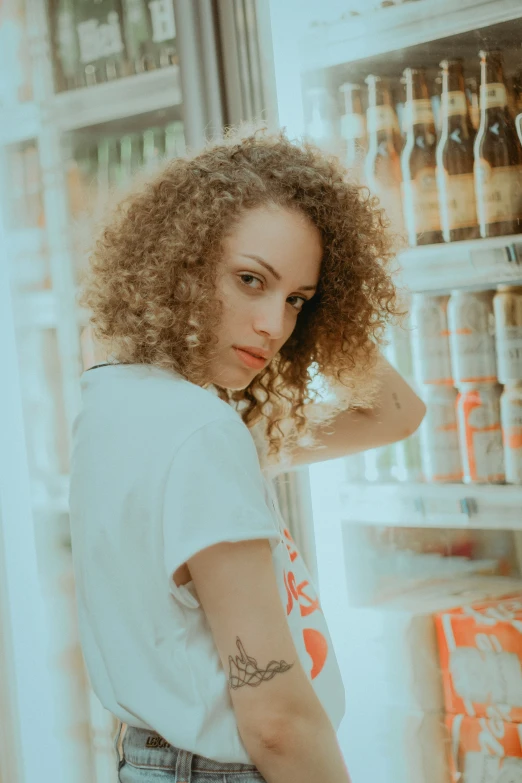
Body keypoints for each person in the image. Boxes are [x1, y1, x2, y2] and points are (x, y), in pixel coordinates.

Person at [69, 125, 426, 783]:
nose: (276, 326)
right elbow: (276, 722)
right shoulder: (198, 432)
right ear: (179, 263)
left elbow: (397, 414)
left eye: (298, 301)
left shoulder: (120, 402)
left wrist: (328, 316)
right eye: (249, 280)